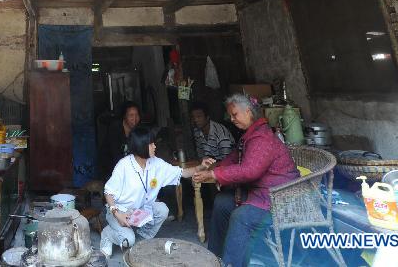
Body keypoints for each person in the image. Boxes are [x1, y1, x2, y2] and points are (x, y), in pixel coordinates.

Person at [193, 93, 299, 267]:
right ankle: (214, 258)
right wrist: (215, 168)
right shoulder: (249, 135)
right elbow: (234, 158)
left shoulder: (262, 138)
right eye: (231, 115)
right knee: (222, 202)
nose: (232, 119)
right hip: (258, 193)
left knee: (241, 217)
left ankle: (231, 263)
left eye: (235, 115)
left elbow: (250, 171)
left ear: (249, 112)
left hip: (278, 197)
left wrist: (215, 175)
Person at [100, 126, 205, 258]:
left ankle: (139, 241)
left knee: (162, 210)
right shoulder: (124, 165)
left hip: (139, 210)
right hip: (119, 210)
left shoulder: (156, 163)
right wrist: (117, 213)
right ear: (141, 146)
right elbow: (108, 192)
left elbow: (182, 173)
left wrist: (200, 167)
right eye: (151, 144)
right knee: (128, 239)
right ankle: (108, 234)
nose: (155, 146)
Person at [107, 101, 142, 166]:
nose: (134, 118)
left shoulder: (137, 130)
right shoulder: (115, 130)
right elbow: (115, 157)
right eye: (131, 115)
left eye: (137, 115)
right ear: (124, 116)